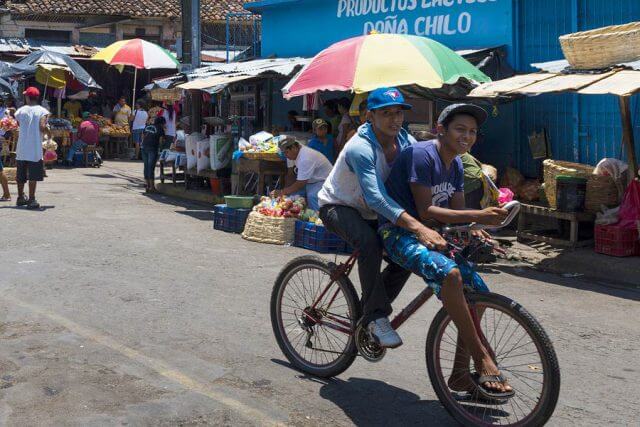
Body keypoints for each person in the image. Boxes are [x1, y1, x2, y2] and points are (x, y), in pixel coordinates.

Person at [381, 103, 513, 398]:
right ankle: (481, 358)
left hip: (435, 234)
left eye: (473, 132)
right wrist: (478, 216)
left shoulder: (456, 164)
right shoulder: (421, 155)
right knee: (450, 275)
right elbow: (425, 209)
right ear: (441, 130)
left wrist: (475, 226)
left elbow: (458, 210)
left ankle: (459, 374)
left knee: (476, 291)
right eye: (460, 129)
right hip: (400, 231)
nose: (467, 136)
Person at [318, 87, 446, 348]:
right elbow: (376, 197)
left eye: (398, 113)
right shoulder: (359, 148)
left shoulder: (406, 142)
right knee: (370, 244)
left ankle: (370, 309)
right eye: (386, 113)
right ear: (369, 116)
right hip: (339, 205)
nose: (394, 119)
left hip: (375, 211)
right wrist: (418, 226)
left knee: (407, 253)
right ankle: (376, 317)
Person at [272, 135, 332, 211]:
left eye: (286, 153)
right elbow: (290, 176)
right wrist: (285, 192)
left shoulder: (305, 157)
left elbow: (301, 183)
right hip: (310, 181)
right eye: (284, 153)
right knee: (291, 197)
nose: (285, 156)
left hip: (324, 181)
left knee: (312, 196)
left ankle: (318, 219)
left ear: (293, 148)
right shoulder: (294, 152)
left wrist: (282, 191)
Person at [14, 87, 49, 209]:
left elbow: (19, 124)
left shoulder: (20, 111)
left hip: (22, 148)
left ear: (28, 97)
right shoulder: (43, 111)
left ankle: (20, 198)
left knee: (21, 175)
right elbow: (42, 127)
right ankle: (32, 199)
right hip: (34, 149)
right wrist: (48, 131)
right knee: (33, 175)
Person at [141, 116, 166, 193]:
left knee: (146, 166)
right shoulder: (160, 128)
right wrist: (161, 148)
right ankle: (152, 187)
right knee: (151, 167)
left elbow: (142, 136)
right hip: (152, 148)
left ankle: (148, 186)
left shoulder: (148, 126)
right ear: (162, 123)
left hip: (144, 147)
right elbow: (161, 141)